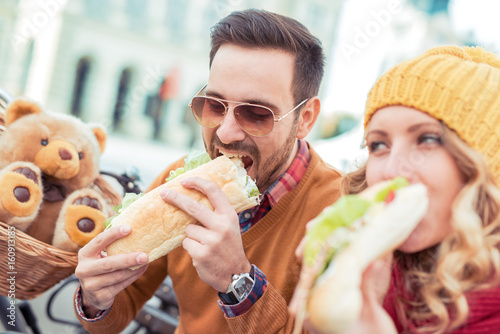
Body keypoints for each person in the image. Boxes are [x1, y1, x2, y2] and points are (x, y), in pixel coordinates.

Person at [74, 9, 343, 334]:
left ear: (307, 119)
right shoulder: (178, 182)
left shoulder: (340, 213)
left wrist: (238, 281)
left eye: (256, 114)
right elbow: (117, 312)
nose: (226, 133)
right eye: (215, 105)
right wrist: (94, 299)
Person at [301, 45, 500, 334]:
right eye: (379, 145)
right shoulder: (382, 265)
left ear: (484, 165)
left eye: (427, 139)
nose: (392, 171)